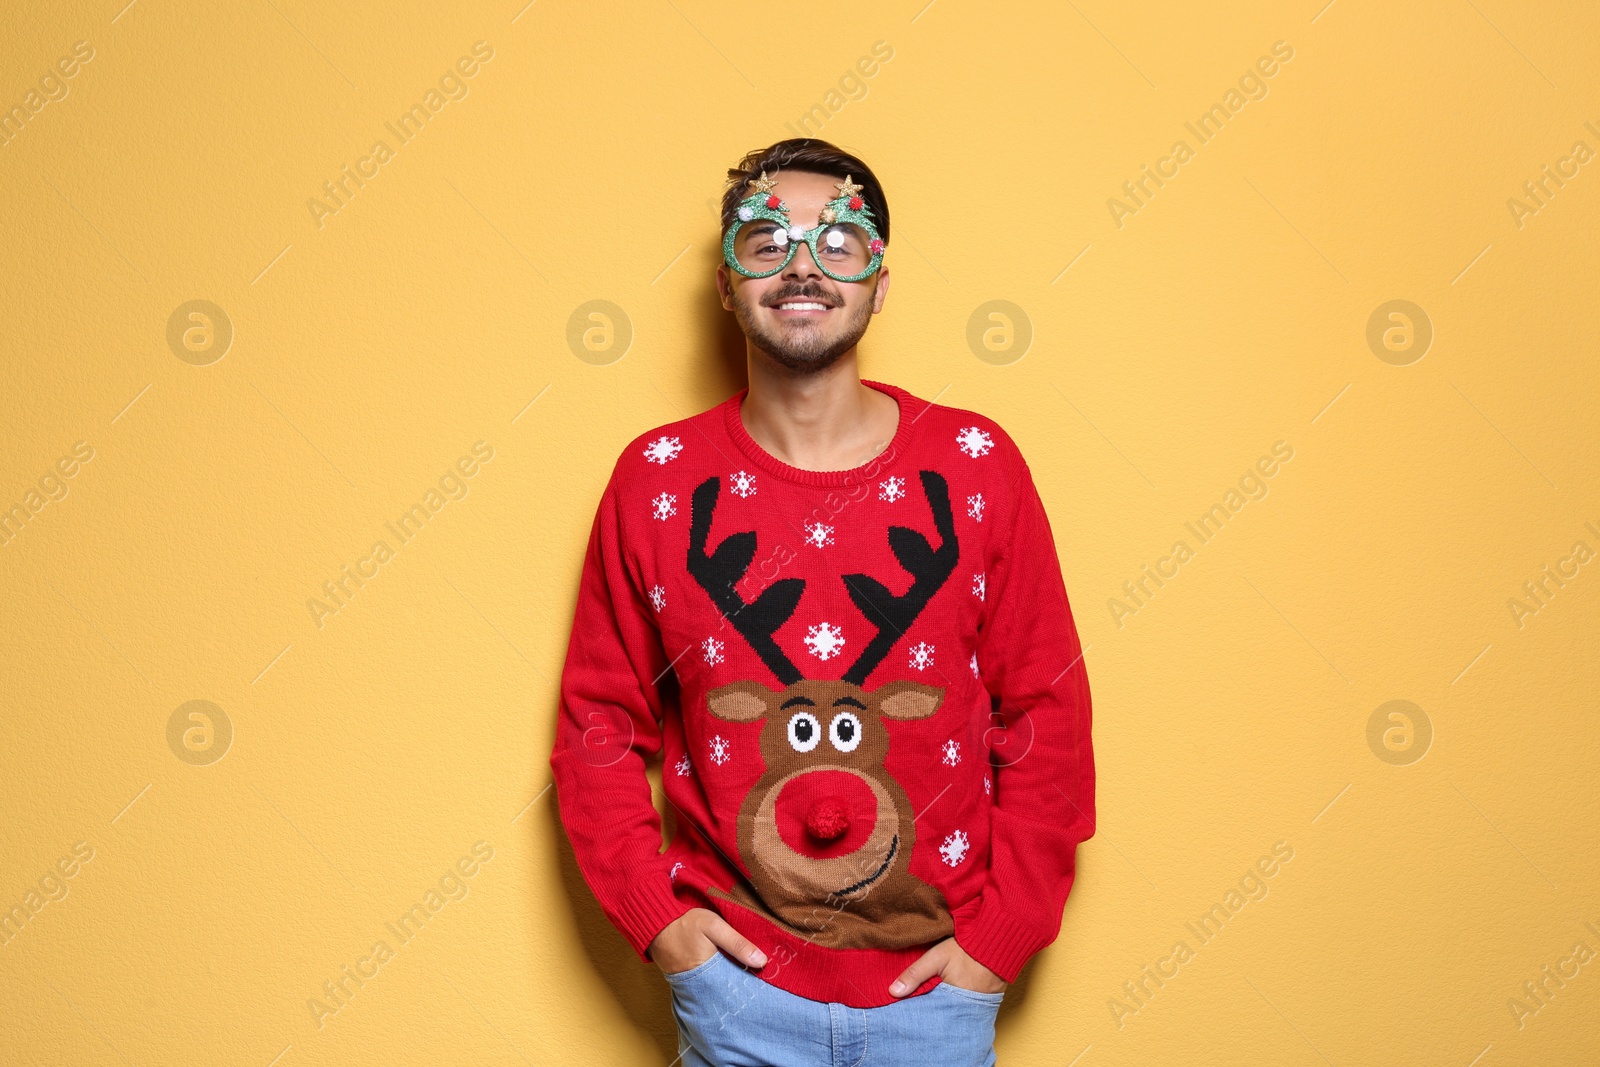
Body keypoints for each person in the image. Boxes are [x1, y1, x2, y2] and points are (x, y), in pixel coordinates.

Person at [548, 138, 1096, 1067]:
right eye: (766, 240)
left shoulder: (975, 466)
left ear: (881, 281)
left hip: (937, 1005)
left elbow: (1046, 712)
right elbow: (597, 724)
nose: (802, 264)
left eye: (840, 241)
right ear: (726, 284)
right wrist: (665, 929)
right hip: (735, 1007)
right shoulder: (656, 482)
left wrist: (999, 943)